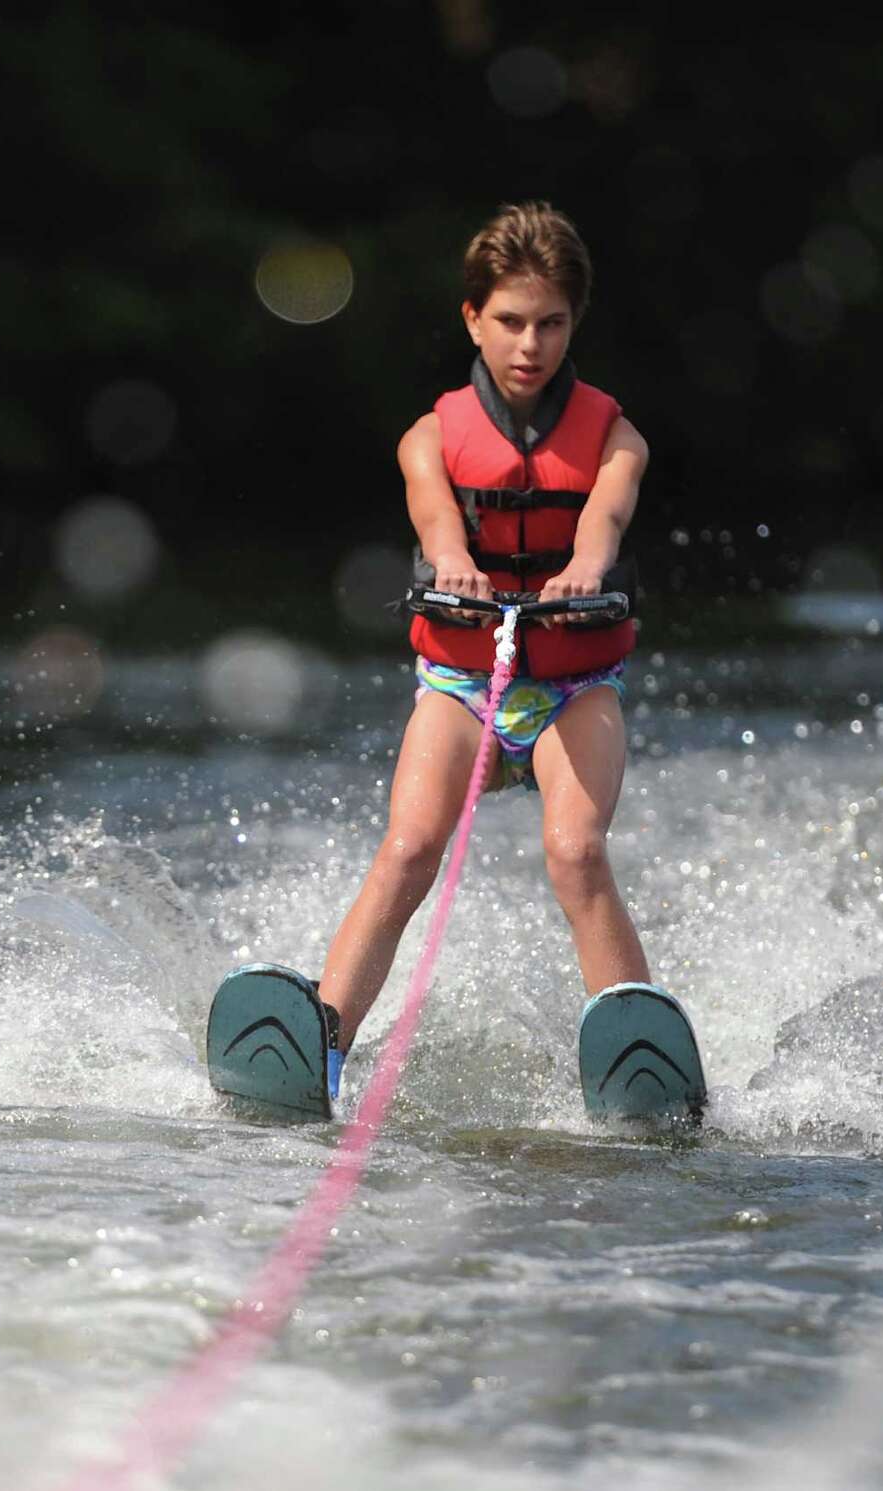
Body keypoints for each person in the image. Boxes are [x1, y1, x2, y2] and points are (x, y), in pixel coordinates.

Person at [316, 199, 651, 1098]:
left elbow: (603, 520)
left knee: (577, 850)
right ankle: (322, 1044)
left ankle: (642, 1061)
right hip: (464, 682)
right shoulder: (428, 438)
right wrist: (456, 563)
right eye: (509, 321)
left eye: (550, 323)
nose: (529, 344)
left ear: (575, 321)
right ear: (473, 317)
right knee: (409, 846)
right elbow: (434, 518)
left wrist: (584, 566)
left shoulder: (617, 439)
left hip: (572, 685)